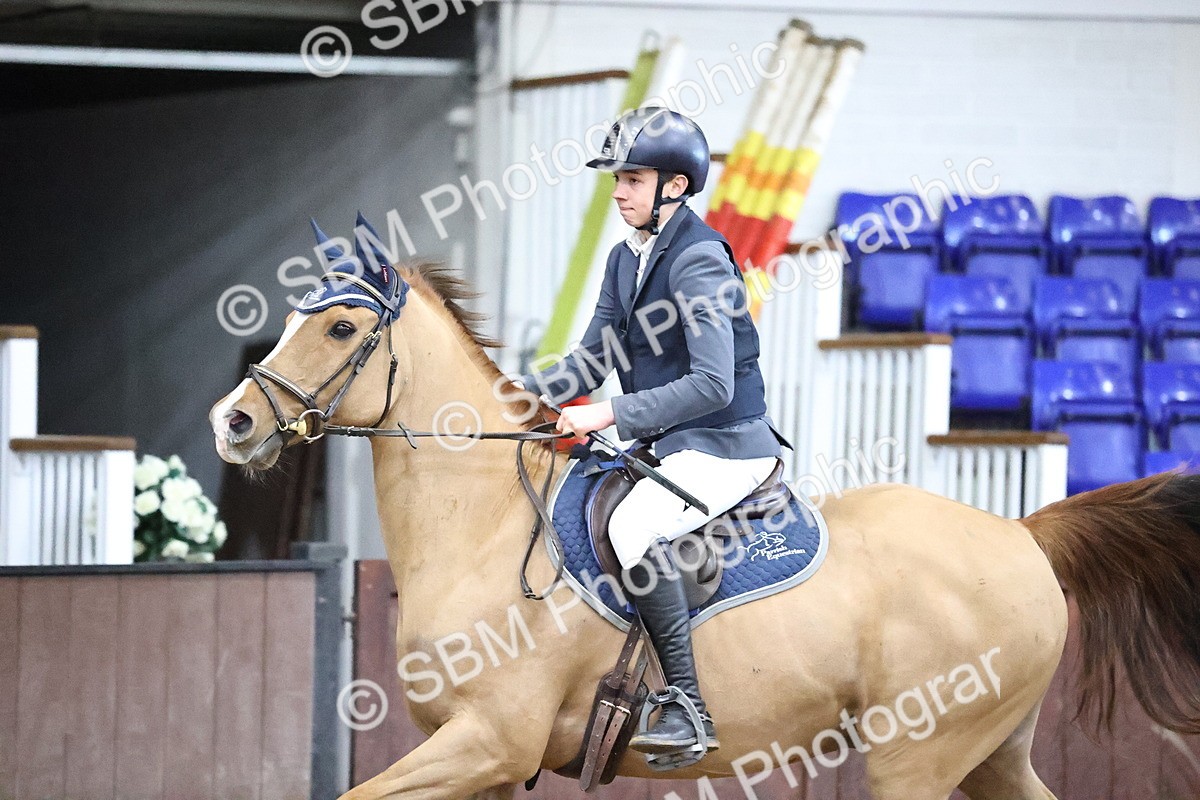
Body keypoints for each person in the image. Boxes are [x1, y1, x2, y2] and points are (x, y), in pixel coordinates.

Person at [518, 107, 791, 757]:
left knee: (633, 526)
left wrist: (607, 413)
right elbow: (595, 356)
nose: (618, 191)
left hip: (727, 443)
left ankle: (687, 708)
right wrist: (519, 395)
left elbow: (713, 385)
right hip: (672, 441)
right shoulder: (624, 258)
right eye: (619, 179)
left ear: (674, 186)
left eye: (633, 179)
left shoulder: (699, 260)